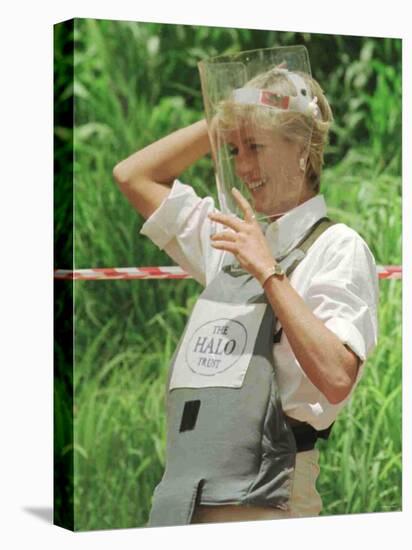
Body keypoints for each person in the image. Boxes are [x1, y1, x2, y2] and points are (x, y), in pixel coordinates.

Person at [113, 52, 379, 526]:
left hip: (270, 500)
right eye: (234, 151)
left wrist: (269, 274)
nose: (242, 166)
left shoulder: (339, 247)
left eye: (254, 146)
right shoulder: (229, 238)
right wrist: (223, 118)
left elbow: (337, 377)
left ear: (301, 148)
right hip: (184, 498)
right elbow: (133, 176)